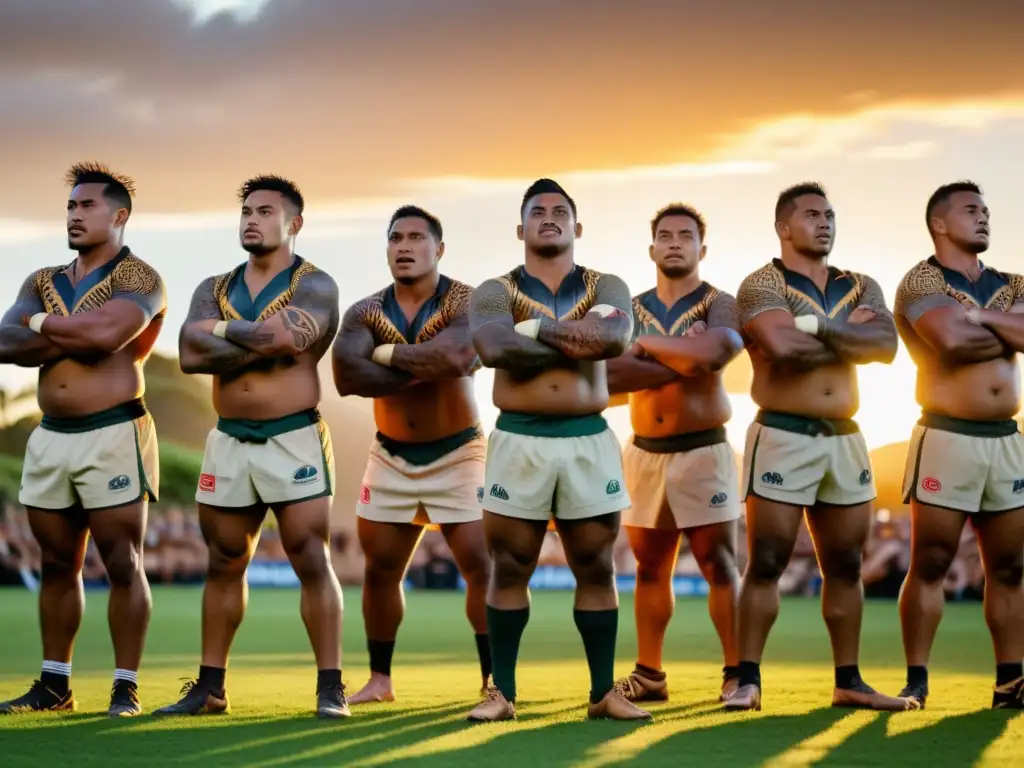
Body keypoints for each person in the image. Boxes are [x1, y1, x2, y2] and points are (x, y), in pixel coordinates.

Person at [156, 175, 348, 719]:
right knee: (223, 561)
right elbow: (189, 354)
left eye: (265, 211)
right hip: (228, 439)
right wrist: (250, 336)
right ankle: (210, 688)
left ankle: (330, 687)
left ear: (295, 224)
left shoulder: (316, 284)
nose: (251, 219)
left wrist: (219, 332)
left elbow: (288, 338)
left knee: (310, 557)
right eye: (246, 211)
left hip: (293, 436)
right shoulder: (214, 284)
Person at [464, 178, 649, 723]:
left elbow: (613, 341)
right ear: (521, 229)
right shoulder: (493, 290)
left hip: (586, 439)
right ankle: (502, 693)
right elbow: (495, 347)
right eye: (538, 211)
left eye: (560, 211)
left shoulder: (607, 283)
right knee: (510, 565)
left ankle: (602, 693)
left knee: (595, 566)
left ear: (577, 226)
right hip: (518, 438)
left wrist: (536, 328)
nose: (549, 217)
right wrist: (576, 336)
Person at [728, 182, 911, 713]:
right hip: (782, 432)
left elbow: (885, 347)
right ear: (784, 227)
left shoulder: (862, 284)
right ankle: (747, 679)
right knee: (766, 561)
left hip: (846, 436)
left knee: (847, 565)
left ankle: (849, 681)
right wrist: (841, 333)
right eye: (811, 214)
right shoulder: (760, 283)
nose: (825, 222)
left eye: (829, 214)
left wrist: (813, 325)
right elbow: (781, 349)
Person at [0, 163, 166, 717]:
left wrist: (41, 325)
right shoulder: (42, 278)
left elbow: (104, 336)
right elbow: (5, 342)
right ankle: (54, 686)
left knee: (123, 562)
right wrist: (56, 328)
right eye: (70, 205)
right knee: (55, 564)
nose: (74, 214)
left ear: (119, 216)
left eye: (87, 206)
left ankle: (125, 687)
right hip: (52, 436)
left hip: (114, 430)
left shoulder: (140, 278)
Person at [332, 205, 491, 704]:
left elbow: (458, 357)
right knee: (380, 569)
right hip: (391, 454)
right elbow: (345, 376)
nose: (404, 246)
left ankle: (494, 680)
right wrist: (427, 362)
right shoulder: (364, 311)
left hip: (460, 451)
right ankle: (380, 681)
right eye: (395, 237)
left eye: (416, 238)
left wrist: (382, 353)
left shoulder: (468, 300)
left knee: (482, 567)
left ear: (438, 249)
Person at [606, 203, 744, 703]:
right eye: (664, 235)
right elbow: (609, 377)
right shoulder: (628, 308)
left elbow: (715, 354)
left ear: (701, 249)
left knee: (718, 563)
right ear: (651, 248)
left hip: (703, 448)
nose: (674, 242)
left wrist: (647, 349)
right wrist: (676, 352)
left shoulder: (721, 303)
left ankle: (737, 675)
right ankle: (649, 675)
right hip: (644, 453)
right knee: (648, 566)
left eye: (685, 236)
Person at [894, 180, 1024, 710]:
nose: (985, 216)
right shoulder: (920, 281)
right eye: (972, 210)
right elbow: (951, 340)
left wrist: (982, 315)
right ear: (940, 224)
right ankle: (917, 682)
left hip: (1006, 439)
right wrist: (1004, 328)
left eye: (987, 209)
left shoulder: (1011, 282)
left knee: (1012, 567)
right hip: (947, 435)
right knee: (931, 560)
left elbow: (979, 329)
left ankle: (1011, 682)